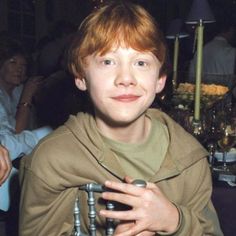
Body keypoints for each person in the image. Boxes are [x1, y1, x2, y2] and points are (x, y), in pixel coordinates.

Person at [19, 1, 223, 236]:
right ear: (81, 77)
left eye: (141, 63)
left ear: (160, 79)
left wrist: (175, 221)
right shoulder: (51, 159)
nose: (126, 78)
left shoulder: (189, 158)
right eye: (108, 61)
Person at [0, 37, 52, 212]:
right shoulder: (19, 94)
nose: (19, 69)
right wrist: (26, 98)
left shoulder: (17, 92)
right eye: (13, 62)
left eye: (23, 65)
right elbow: (15, 134)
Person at [188, 18, 236, 87]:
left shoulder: (201, 50)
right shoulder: (231, 52)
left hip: (202, 95)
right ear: (231, 30)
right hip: (224, 96)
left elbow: (191, 77)